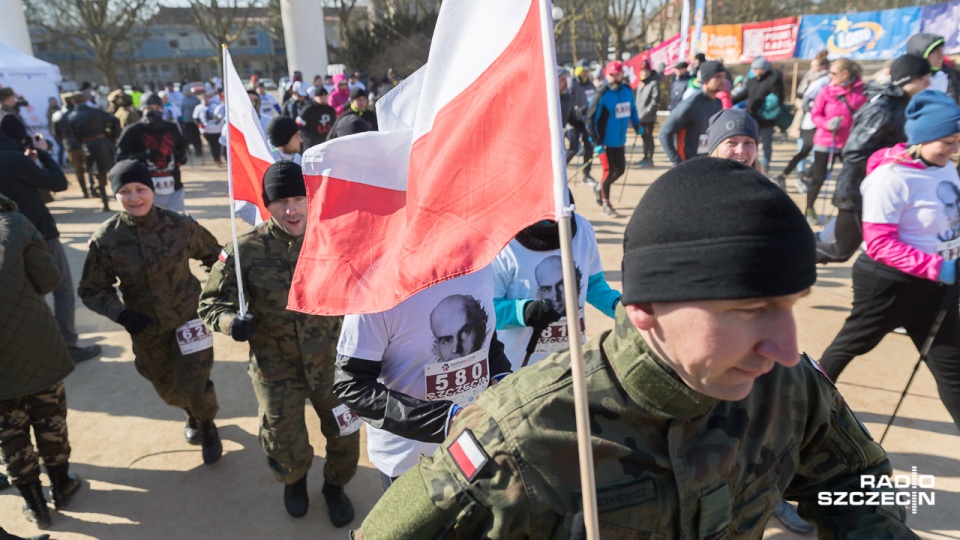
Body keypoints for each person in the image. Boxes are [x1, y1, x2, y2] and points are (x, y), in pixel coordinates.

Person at [350, 157, 914, 539]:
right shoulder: (516, 442)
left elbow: (856, 486)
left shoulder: (790, 390)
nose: (788, 348)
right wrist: (523, 312)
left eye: (790, 304)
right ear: (649, 308)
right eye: (747, 311)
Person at [198, 161, 360, 526]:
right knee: (283, 440)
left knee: (345, 433)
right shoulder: (244, 250)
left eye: (299, 199)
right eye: (281, 201)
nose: (291, 209)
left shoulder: (335, 241)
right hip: (275, 368)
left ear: (311, 200)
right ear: (267, 204)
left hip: (332, 366)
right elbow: (210, 303)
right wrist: (231, 323)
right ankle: (294, 480)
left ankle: (334, 487)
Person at [819, 90, 960, 431]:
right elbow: (880, 244)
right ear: (922, 138)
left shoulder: (947, 169)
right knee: (850, 346)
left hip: (937, 286)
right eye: (947, 141)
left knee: (953, 368)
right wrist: (941, 267)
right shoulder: (890, 178)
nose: (954, 149)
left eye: (957, 140)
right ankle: (804, 403)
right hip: (887, 284)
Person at [78, 160, 223, 465]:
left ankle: (207, 425)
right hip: (145, 327)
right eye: (125, 191)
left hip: (188, 319)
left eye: (141, 189)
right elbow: (92, 289)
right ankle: (190, 414)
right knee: (166, 387)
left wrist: (213, 296)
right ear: (115, 195)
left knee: (195, 383)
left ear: (152, 190)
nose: (134, 198)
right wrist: (121, 314)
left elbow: (217, 257)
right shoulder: (107, 238)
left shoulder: (180, 225)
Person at [332, 267, 513, 489]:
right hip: (408, 462)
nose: (457, 346)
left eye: (465, 332)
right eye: (446, 340)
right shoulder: (374, 291)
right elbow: (352, 385)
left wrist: (501, 373)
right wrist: (446, 420)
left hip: (479, 441)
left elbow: (487, 336)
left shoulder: (480, 266)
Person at [0, 192, 82, 531]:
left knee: (10, 435)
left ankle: (35, 505)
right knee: (49, 417)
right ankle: (62, 485)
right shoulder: (15, 224)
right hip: (37, 344)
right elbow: (49, 280)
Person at [0, 121, 101, 363]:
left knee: (25, 295)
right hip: (38, 233)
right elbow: (58, 183)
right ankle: (68, 346)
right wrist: (43, 152)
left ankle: (36, 351)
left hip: (5, 239)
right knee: (62, 289)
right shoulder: (14, 158)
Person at [817, 54, 932, 265]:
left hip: (881, 190)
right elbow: (854, 152)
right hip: (857, 191)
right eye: (924, 77)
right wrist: (888, 163)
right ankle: (781, 257)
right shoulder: (884, 108)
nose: (929, 82)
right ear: (908, 79)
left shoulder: (904, 104)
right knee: (840, 251)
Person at [493, 210, 620, 370]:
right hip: (520, 368)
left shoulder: (582, 228)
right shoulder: (502, 239)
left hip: (571, 364)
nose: (557, 295)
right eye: (546, 288)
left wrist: (621, 306)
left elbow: (593, 284)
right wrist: (522, 311)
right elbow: (487, 313)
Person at [805, 58, 867, 225]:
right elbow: (815, 114)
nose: (829, 76)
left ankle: (848, 212)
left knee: (851, 179)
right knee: (818, 178)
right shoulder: (826, 91)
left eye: (833, 73)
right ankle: (809, 208)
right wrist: (827, 124)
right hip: (826, 141)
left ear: (844, 74)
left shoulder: (862, 91)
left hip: (850, 143)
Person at [585, 60, 641, 218]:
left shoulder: (627, 91)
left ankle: (599, 187)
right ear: (606, 75)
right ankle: (606, 204)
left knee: (620, 170)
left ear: (623, 74)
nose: (615, 77)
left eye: (618, 74)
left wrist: (637, 124)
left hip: (620, 141)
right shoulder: (601, 94)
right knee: (608, 172)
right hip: (604, 143)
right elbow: (590, 120)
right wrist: (596, 143)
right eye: (612, 75)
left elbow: (633, 109)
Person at [116, 94, 189, 212]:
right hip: (145, 188)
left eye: (157, 107)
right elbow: (120, 159)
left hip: (174, 186)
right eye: (150, 108)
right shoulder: (132, 131)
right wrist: (144, 155)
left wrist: (180, 156)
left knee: (177, 224)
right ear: (142, 109)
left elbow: (181, 147)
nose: (154, 111)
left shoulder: (172, 128)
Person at [776, 52, 829, 190]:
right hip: (812, 122)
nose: (812, 69)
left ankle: (789, 176)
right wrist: (817, 112)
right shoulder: (821, 81)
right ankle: (800, 177)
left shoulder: (825, 78)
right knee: (813, 152)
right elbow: (805, 98)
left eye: (814, 66)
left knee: (810, 152)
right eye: (812, 65)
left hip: (816, 122)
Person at [659, 60, 725, 166]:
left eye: (723, 76)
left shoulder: (718, 103)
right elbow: (664, 134)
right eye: (718, 77)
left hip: (706, 165)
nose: (723, 80)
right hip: (687, 168)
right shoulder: (691, 104)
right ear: (706, 80)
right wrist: (678, 163)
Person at [66, 91, 120, 211]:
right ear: (85, 100)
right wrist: (111, 135)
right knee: (114, 171)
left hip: (89, 147)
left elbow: (74, 136)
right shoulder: (95, 111)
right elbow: (115, 120)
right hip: (104, 144)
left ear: (73, 102)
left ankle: (106, 203)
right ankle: (119, 197)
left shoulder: (72, 116)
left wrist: (84, 142)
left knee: (98, 175)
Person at [732, 56, 785, 174]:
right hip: (752, 119)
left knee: (766, 145)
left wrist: (764, 105)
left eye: (756, 68)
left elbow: (778, 99)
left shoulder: (773, 80)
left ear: (763, 68)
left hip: (766, 120)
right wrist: (730, 100)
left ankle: (764, 170)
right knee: (751, 144)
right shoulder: (753, 80)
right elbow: (745, 94)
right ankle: (753, 167)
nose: (754, 71)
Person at [51, 93, 89, 198]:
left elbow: (56, 133)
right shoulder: (80, 112)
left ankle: (85, 191)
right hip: (84, 143)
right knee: (89, 167)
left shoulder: (57, 115)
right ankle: (93, 188)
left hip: (70, 145)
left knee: (78, 169)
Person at [567, 60, 598, 185]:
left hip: (587, 122)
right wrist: (574, 111)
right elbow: (567, 100)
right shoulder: (572, 84)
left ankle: (586, 174)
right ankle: (558, 171)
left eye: (587, 71)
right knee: (573, 149)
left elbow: (595, 101)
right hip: (573, 121)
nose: (585, 73)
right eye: (583, 70)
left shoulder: (591, 85)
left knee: (589, 148)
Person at [907, 33, 960, 102]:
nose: (941, 57)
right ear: (922, 54)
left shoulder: (947, 77)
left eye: (941, 51)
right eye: (936, 52)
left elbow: (951, 105)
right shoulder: (906, 80)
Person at [634, 60, 660, 168]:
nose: (644, 73)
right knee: (644, 137)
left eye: (646, 71)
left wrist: (645, 113)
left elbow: (655, 101)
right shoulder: (641, 84)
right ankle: (645, 157)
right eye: (642, 71)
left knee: (649, 137)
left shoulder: (653, 84)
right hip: (640, 117)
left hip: (648, 117)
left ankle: (650, 158)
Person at [194, 91, 225, 166]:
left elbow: (220, 115)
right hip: (206, 130)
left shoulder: (215, 106)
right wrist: (200, 124)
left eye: (207, 99)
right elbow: (195, 118)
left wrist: (219, 120)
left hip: (217, 129)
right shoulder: (198, 108)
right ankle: (216, 159)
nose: (205, 101)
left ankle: (218, 157)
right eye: (204, 99)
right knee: (212, 144)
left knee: (218, 144)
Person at [179, 88, 203, 158]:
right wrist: (182, 119)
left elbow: (200, 108)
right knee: (190, 136)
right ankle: (192, 148)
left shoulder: (195, 99)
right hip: (187, 121)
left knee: (196, 136)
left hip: (195, 121)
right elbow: (181, 110)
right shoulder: (183, 100)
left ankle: (199, 149)